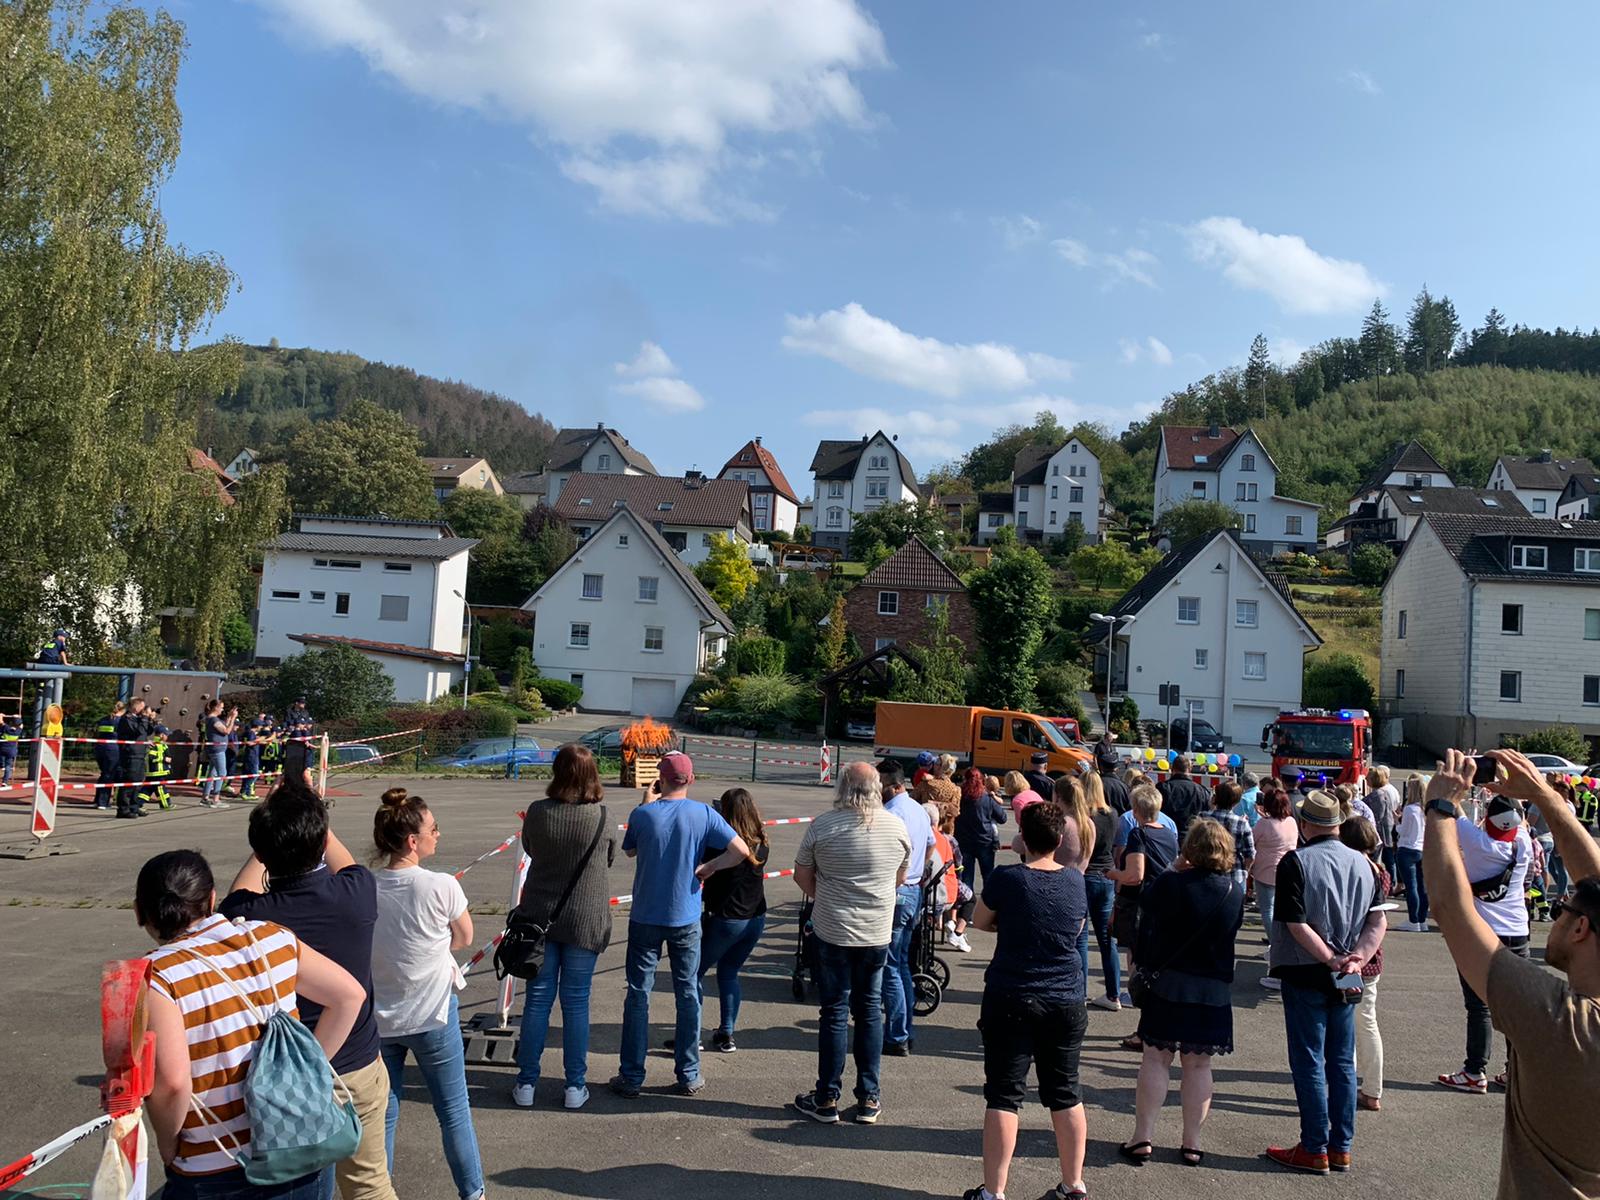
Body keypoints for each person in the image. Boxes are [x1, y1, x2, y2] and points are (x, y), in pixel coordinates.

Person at [1422, 747, 1600, 1199]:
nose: (1558, 911)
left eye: (1564, 907)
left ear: (1581, 929)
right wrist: (1546, 798)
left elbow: (1450, 909)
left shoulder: (1560, 1022)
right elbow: (1595, 887)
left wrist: (1441, 805)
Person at [137, 848, 364, 1199]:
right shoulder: (271, 938)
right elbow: (349, 996)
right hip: (301, 1146)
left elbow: (173, 1084)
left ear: (140, 913)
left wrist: (169, 1149)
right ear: (211, 898)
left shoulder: (157, 977)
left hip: (215, 1165)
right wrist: (307, 1070)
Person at [218, 780, 396, 1200]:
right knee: (370, 1186)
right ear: (319, 842)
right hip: (356, 1065)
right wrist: (312, 809)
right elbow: (343, 860)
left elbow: (238, 893)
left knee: (294, 1188)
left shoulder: (248, 917)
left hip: (282, 1079)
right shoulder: (357, 893)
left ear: (261, 852)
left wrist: (272, 825)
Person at [963, 803, 1090, 1200]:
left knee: (1004, 1094)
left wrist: (1014, 922)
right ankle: (1073, 1184)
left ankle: (994, 1191)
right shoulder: (1075, 881)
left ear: (1023, 839)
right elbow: (1077, 926)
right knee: (1065, 1091)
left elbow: (981, 921)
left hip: (1013, 994)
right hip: (1065, 995)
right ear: (1058, 841)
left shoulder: (1007, 879)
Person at [611, 751, 751, 1098]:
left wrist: (646, 803)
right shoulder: (703, 813)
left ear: (660, 779)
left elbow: (630, 851)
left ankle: (631, 1075)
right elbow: (741, 850)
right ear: (690, 779)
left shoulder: (644, 815)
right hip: (686, 916)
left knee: (638, 994)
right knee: (688, 992)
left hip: (645, 915)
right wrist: (710, 867)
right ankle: (688, 1073)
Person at [1264, 790, 1387, 1175]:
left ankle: (1314, 1145)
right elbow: (1377, 920)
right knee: (1340, 1060)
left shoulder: (1296, 863)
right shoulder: (1366, 864)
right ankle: (1341, 1146)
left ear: (1305, 825)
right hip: (1349, 970)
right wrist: (1358, 957)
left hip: (1307, 968)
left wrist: (1330, 957)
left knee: (1310, 1059)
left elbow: (1295, 923)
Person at [370, 789, 486, 1200]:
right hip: (433, 1013)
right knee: (453, 1112)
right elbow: (465, 937)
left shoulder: (366, 886)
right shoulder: (441, 886)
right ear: (412, 841)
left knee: (384, 1114)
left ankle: (376, 1192)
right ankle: (472, 1193)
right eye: (433, 829)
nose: (439, 833)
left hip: (380, 1018)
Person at [791, 762, 912, 1124]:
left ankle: (827, 1096)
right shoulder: (896, 826)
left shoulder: (823, 826)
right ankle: (869, 1097)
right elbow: (900, 876)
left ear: (842, 788)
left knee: (834, 1012)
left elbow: (802, 875)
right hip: (875, 932)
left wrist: (825, 898)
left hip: (833, 931)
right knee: (870, 1010)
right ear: (878, 788)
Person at [1120, 819, 1245, 1168]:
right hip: (1213, 987)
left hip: (1169, 983)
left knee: (1156, 1059)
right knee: (1199, 1065)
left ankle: (1142, 1137)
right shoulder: (1233, 892)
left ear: (1190, 849)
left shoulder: (1172, 884)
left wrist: (1173, 869)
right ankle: (1192, 1142)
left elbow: (1146, 903)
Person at [512, 744, 615, 1111]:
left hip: (540, 917)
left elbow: (530, 849)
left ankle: (526, 1082)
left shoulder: (539, 812)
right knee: (576, 1003)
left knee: (537, 1001)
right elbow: (609, 858)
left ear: (557, 771)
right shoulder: (601, 816)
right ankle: (575, 1085)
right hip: (584, 920)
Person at [1434, 787, 1533, 1095]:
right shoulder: (1522, 843)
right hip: (1518, 930)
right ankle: (1515, 1071)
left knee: (1479, 1006)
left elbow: (1453, 810)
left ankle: (1475, 1071)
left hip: (1484, 933)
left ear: (1488, 820)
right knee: (1514, 1007)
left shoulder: (1477, 841)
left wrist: (1463, 786)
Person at [697, 787, 771, 1052]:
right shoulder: (761, 841)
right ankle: (726, 1032)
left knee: (693, 974)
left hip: (727, 918)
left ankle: (690, 1033)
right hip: (755, 917)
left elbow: (702, 865)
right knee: (729, 973)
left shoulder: (721, 844)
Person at [1108, 785, 1180, 1051]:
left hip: (1143, 905)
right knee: (1157, 968)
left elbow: (1135, 874)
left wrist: (1112, 873)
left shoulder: (1139, 834)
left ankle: (1145, 1029)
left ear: (1135, 810)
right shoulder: (1170, 835)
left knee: (1140, 969)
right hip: (1167, 904)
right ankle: (1157, 1025)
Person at [877, 758, 932, 1056]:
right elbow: (932, 843)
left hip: (897, 893)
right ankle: (905, 1030)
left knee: (890, 968)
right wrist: (917, 871)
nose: (878, 791)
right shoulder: (917, 810)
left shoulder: (892, 813)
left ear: (895, 785)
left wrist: (902, 875)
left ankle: (897, 1035)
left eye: (881, 786)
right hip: (913, 891)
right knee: (901, 966)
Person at [1338, 816, 1388, 1114]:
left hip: (1351, 959)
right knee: (1365, 1020)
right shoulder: (1381, 872)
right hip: (1372, 957)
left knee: (1349, 1023)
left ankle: (1358, 1088)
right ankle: (1371, 1088)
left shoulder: (1350, 870)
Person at [1252, 782, 1298, 989]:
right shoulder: (1291, 822)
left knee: (1268, 910)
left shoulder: (1264, 824)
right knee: (1280, 911)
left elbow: (1252, 841)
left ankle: (1275, 945)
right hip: (1287, 871)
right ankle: (1276, 945)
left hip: (1266, 871)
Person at [1083, 769, 1122, 1011]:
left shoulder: (1084, 816)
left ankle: (1080, 991)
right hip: (1106, 875)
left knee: (1080, 939)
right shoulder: (1113, 814)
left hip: (1086, 875)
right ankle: (1114, 993)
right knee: (1108, 939)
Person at [955, 766, 1008, 896]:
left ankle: (966, 908)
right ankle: (988, 907)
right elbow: (1003, 818)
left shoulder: (959, 797)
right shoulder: (986, 798)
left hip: (964, 842)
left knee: (966, 878)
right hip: (985, 841)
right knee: (988, 876)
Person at [1200, 781, 1255, 890]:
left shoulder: (1203, 817)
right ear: (1237, 801)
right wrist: (1245, 871)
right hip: (1234, 875)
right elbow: (1250, 854)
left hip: (1204, 872)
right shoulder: (1241, 823)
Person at [1396, 776, 1430, 930]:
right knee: (1422, 887)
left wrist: (1397, 822)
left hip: (1408, 848)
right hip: (1422, 849)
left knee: (1411, 887)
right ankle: (1422, 920)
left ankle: (1413, 920)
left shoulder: (1410, 809)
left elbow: (1404, 831)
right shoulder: (1427, 809)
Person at [115, 698, 152, 819]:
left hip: (140, 754)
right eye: (142, 707)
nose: (144, 710)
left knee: (138, 783)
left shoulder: (138, 719)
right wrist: (144, 718)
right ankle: (123, 809)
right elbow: (138, 731)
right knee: (129, 783)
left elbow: (147, 731)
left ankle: (134, 807)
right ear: (135, 707)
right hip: (130, 754)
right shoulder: (127, 719)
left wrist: (150, 719)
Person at [1158, 756, 1211, 841]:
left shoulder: (1163, 788)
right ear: (1189, 769)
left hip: (1166, 837)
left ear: (1172, 768)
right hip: (1193, 839)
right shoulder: (1202, 791)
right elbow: (1207, 817)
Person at [1366, 765, 1400, 885]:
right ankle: (1392, 883)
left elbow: (1378, 816)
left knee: (1387, 858)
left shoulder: (1378, 796)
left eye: (1368, 778)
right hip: (1387, 829)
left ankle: (1390, 883)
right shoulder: (1385, 792)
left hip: (1382, 832)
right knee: (1388, 858)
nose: (1366, 779)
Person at [201, 701, 237, 809]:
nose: (222, 710)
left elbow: (224, 725)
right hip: (217, 750)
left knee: (212, 773)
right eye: (221, 707)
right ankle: (216, 799)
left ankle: (205, 797)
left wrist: (230, 717)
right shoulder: (213, 719)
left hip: (217, 749)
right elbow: (226, 730)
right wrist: (233, 719)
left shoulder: (213, 719)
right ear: (215, 707)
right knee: (222, 773)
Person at [914, 752, 963, 825]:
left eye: (936, 762)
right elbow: (956, 812)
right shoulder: (956, 790)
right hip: (945, 829)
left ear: (940, 767)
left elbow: (912, 800)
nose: (933, 765)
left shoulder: (926, 784)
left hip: (927, 825)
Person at [92, 701, 124, 808]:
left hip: (100, 748)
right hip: (113, 750)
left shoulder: (103, 719)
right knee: (109, 775)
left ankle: (97, 800)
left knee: (104, 774)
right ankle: (103, 802)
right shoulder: (121, 721)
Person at [139, 726, 174, 812]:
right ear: (162, 735)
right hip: (157, 772)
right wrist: (163, 759)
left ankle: (137, 803)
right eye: (166, 735)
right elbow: (151, 757)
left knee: (147, 789)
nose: (167, 737)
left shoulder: (162, 744)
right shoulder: (155, 744)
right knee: (161, 788)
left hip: (157, 772)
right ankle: (166, 804)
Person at [0, 710, 22, 786]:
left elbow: (0, 721)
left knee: (2, 759)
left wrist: (1, 715)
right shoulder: (19, 731)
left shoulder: (6, 728)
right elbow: (21, 724)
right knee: (8, 766)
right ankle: (4, 781)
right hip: (11, 751)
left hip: (2, 749)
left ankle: (2, 765)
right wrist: (17, 717)